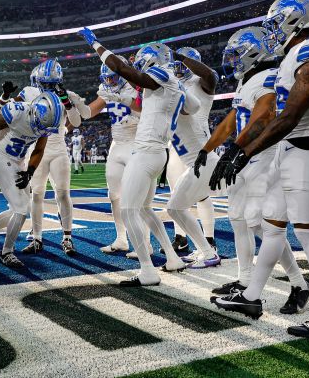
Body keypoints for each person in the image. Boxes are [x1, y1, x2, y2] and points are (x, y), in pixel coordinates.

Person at [211, 0, 309, 338]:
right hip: (289, 150)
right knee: (270, 226)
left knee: (307, 232)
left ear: (294, 19)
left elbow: (288, 117)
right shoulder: (292, 55)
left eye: (276, 21)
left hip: (307, 149)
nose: (271, 29)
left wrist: (243, 152)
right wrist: (237, 150)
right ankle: (251, 297)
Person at [199, 27, 309, 313]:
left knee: (259, 221)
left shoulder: (267, 77)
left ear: (254, 52)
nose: (233, 60)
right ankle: (245, 280)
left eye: (237, 54)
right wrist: (207, 149)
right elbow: (231, 121)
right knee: (238, 217)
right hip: (243, 155)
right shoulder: (247, 81)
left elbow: (264, 117)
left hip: (262, 154)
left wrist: (236, 150)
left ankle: (298, 283)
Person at [79, 28, 199, 286]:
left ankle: (147, 270)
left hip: (145, 151)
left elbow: (125, 71)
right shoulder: (174, 84)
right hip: (158, 152)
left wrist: (97, 46)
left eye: (143, 62)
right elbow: (194, 107)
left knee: (129, 209)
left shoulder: (160, 74)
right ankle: (172, 257)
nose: (139, 66)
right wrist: (124, 96)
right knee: (144, 209)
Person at [0, 91, 64, 267]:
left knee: (18, 210)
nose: (43, 130)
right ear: (35, 111)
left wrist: (30, 172)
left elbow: (39, 150)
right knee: (21, 210)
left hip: (19, 162)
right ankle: (6, 252)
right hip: (1, 158)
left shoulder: (46, 122)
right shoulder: (17, 111)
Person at [18, 59, 91, 256]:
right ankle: (37, 237)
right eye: (45, 83)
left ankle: (67, 237)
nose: (47, 87)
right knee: (37, 194)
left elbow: (77, 120)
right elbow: (13, 111)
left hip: (58, 149)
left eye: (50, 83)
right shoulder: (30, 93)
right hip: (37, 149)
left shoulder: (65, 95)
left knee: (63, 193)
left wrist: (67, 101)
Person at [164, 48, 221, 268]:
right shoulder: (174, 84)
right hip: (185, 153)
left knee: (201, 197)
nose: (178, 70)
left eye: (182, 66)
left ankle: (209, 245)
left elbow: (209, 76)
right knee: (176, 200)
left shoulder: (201, 81)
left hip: (200, 152)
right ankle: (195, 246)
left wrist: (182, 58)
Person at [86, 59, 142, 255]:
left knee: (136, 198)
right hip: (116, 144)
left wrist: (124, 99)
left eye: (113, 77)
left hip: (135, 142)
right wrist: (71, 104)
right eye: (106, 79)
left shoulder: (136, 85)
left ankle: (144, 244)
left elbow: (145, 111)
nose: (110, 82)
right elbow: (90, 111)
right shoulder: (107, 87)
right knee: (114, 195)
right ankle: (121, 238)